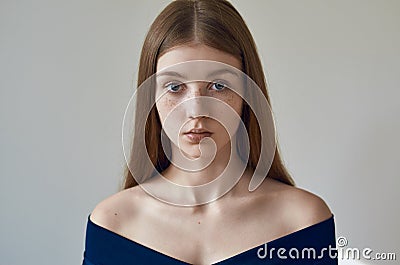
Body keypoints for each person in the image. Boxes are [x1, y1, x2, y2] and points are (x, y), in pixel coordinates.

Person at [82, 0, 338, 264]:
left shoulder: (303, 221)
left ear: (247, 94)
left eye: (218, 85)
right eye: (174, 87)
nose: (196, 110)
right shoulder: (113, 225)